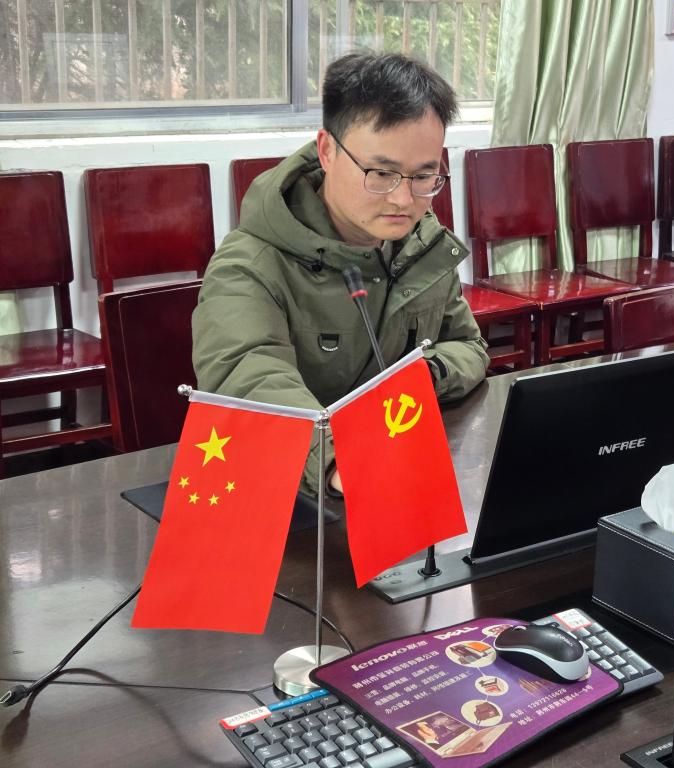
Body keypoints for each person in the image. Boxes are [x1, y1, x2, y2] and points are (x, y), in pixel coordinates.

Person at [193, 52, 488, 495]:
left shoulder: (420, 244)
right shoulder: (249, 265)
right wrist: (337, 461)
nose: (403, 200)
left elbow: (467, 346)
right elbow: (249, 378)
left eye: (423, 176)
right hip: (286, 491)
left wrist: (425, 376)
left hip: (394, 470)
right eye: (381, 173)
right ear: (327, 151)